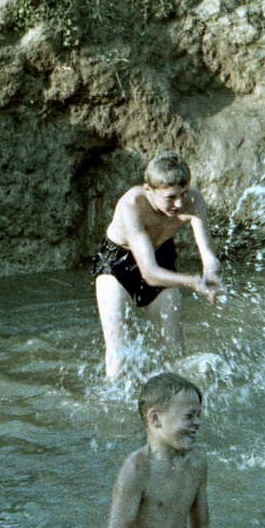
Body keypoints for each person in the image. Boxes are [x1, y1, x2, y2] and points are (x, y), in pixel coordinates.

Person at [86, 373, 264, 528]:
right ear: (156, 418)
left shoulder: (197, 464)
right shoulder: (137, 469)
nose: (197, 422)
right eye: (189, 416)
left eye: (199, 415)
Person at [93, 152, 224, 378]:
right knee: (119, 358)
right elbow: (150, 274)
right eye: (170, 197)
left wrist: (211, 276)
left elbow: (209, 256)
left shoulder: (194, 200)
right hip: (117, 264)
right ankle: (112, 408)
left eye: (183, 194)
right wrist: (194, 282)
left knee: (174, 354)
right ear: (148, 190)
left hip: (160, 257)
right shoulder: (131, 204)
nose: (179, 203)